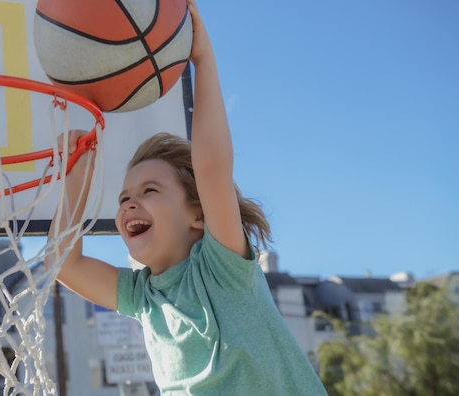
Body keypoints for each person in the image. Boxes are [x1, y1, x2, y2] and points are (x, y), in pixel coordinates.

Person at [49, 0, 328, 394]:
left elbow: (212, 167)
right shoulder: (143, 297)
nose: (128, 203)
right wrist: (74, 179)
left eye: (150, 190)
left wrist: (203, 60)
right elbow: (64, 263)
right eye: (124, 197)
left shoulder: (220, 268)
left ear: (198, 215)